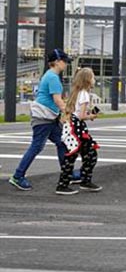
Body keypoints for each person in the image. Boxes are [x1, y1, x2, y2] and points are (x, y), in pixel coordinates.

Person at [9, 48, 71, 191]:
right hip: (44, 117)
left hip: (48, 117)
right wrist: (69, 112)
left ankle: (66, 173)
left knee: (62, 142)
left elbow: (56, 100)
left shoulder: (49, 75)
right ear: (56, 62)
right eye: (64, 61)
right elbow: (57, 100)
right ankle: (18, 176)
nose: (66, 64)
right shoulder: (53, 77)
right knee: (37, 146)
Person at [56, 67, 101, 195]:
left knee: (80, 154)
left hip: (73, 127)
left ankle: (73, 181)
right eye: (92, 77)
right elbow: (81, 116)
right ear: (87, 80)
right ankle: (68, 184)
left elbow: (77, 113)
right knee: (86, 155)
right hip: (78, 129)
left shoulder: (77, 92)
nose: (94, 79)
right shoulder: (85, 95)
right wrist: (91, 116)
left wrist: (87, 114)